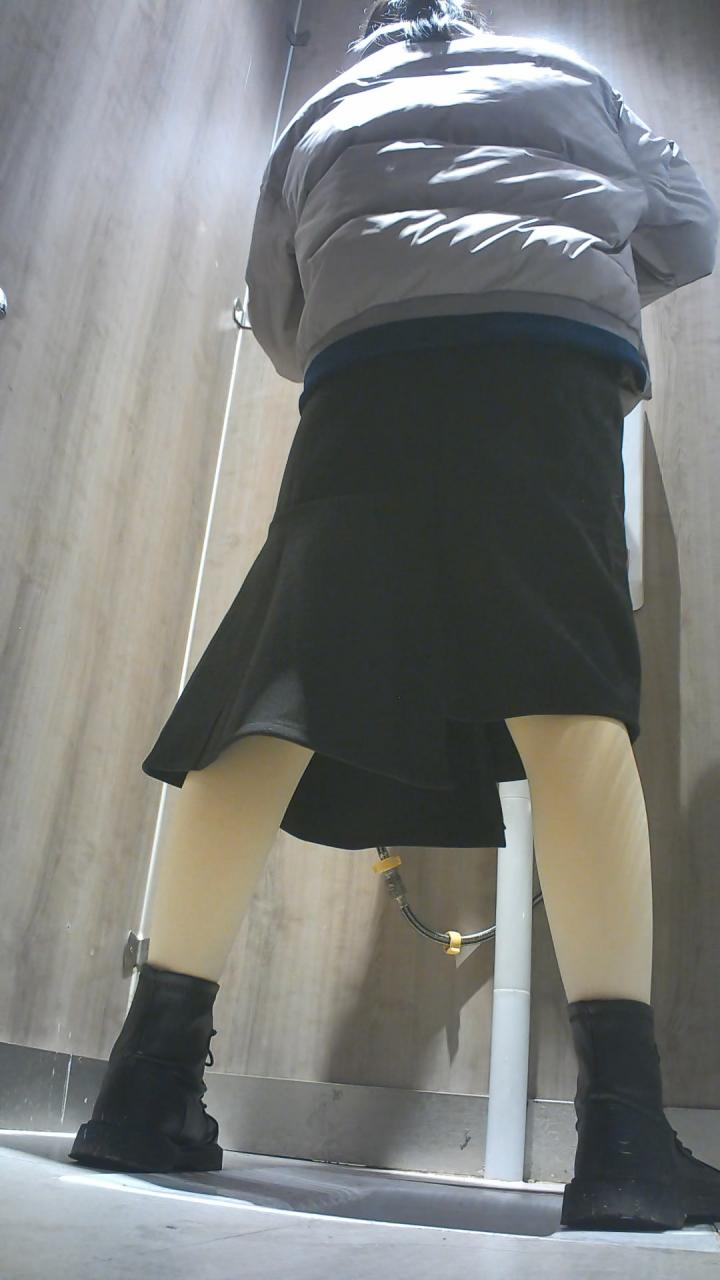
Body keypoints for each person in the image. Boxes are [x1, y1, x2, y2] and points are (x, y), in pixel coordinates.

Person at [69, 0, 720, 1232]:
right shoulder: (571, 73)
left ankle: (141, 1087)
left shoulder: (320, 110)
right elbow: (691, 223)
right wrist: (567, 267)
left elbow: (280, 316)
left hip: (366, 374)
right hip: (548, 353)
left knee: (268, 693)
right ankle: (626, 1139)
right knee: (570, 699)